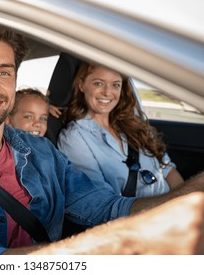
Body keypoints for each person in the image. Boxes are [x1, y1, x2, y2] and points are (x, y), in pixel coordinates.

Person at [0, 21, 204, 255]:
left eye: (4, 72)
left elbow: (110, 208)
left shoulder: (42, 152)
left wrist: (191, 194)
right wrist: (127, 242)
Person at [57, 62, 184, 198]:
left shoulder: (134, 124)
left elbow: (167, 169)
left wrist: (184, 200)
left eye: (115, 85)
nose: (107, 92)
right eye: (98, 83)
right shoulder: (75, 138)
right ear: (81, 85)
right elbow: (101, 202)